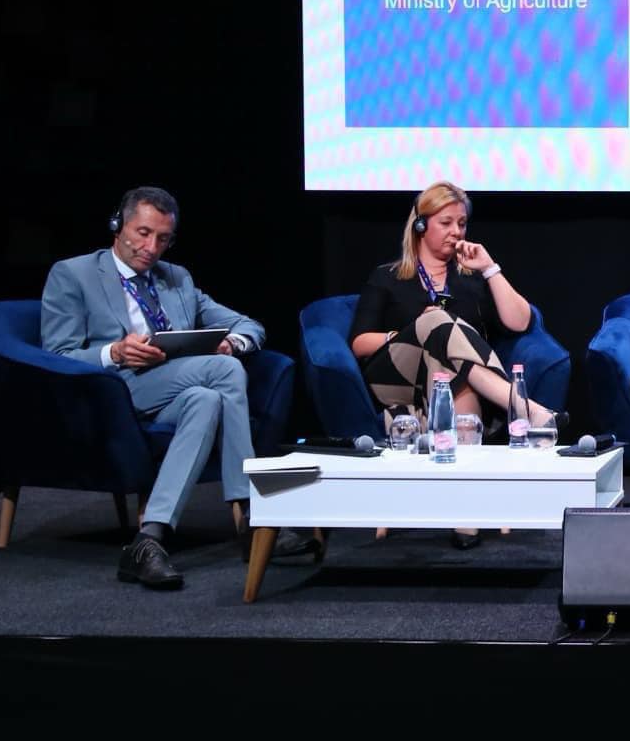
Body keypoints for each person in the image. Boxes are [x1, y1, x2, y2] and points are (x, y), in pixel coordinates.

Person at [40, 186, 312, 591]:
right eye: (143, 233)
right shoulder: (74, 274)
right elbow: (56, 356)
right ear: (118, 225)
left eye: (163, 239)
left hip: (174, 388)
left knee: (206, 400)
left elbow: (249, 326)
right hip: (113, 390)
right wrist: (114, 352)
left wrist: (232, 342)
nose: (152, 248)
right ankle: (251, 515)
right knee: (224, 372)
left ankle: (149, 538)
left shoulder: (176, 279)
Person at [349, 182, 560, 545]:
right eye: (446, 222)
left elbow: (521, 322)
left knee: (453, 370)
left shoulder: (471, 279)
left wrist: (490, 268)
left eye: (461, 223)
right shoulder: (388, 276)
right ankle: (524, 407)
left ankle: (465, 512)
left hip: (450, 386)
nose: (456, 232)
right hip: (398, 380)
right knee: (436, 321)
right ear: (421, 225)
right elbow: (359, 343)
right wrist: (412, 333)